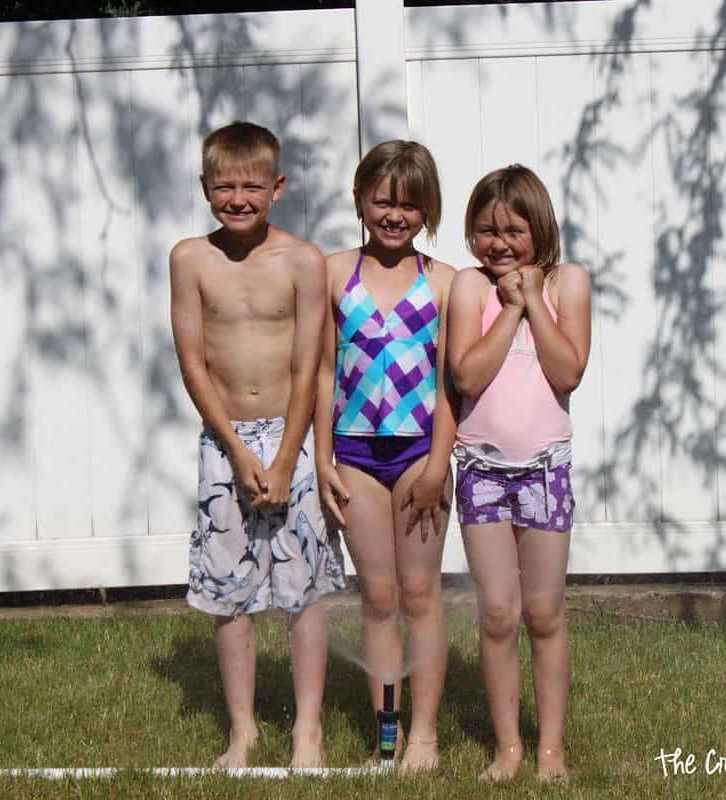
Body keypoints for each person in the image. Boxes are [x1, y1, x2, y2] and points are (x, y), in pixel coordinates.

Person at [170, 120, 344, 770]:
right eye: (224, 187)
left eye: (251, 186)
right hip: (225, 442)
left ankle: (308, 730)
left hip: (291, 439)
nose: (237, 199)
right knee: (229, 588)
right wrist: (239, 455)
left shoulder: (304, 261)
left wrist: (284, 453)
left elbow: (310, 367)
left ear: (278, 187)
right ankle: (242, 730)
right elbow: (193, 362)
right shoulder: (190, 258)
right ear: (205, 188)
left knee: (304, 587)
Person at [314, 140, 456, 772]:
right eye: (382, 200)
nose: (394, 214)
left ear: (426, 210)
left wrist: (435, 465)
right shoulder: (333, 271)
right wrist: (321, 457)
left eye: (408, 204)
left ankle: (423, 735)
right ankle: (387, 734)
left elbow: (453, 385)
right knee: (377, 595)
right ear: (359, 199)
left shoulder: (447, 282)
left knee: (421, 593)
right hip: (354, 456)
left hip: (422, 457)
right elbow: (321, 370)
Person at [446, 164, 591, 781]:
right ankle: (508, 747)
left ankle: (549, 748)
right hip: (481, 471)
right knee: (499, 614)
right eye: (484, 230)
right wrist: (507, 310)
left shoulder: (569, 282)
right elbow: (467, 377)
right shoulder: (470, 289)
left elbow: (568, 373)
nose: (498, 243)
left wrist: (533, 299)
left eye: (513, 229)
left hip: (543, 472)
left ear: (541, 227)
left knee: (544, 612)